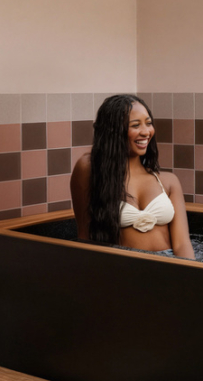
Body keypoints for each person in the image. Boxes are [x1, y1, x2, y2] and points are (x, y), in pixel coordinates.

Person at [70, 94, 194, 259]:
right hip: (121, 266)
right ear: (113, 130)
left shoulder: (168, 181)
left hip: (168, 264)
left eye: (149, 123)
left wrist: (190, 276)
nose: (146, 132)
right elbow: (85, 235)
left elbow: (182, 244)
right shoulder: (89, 169)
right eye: (135, 125)